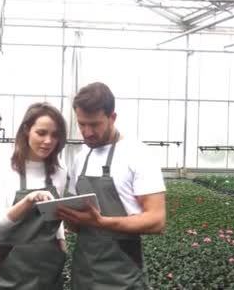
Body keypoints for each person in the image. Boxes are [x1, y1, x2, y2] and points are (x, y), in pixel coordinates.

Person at [57, 82, 166, 290]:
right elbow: (76, 221)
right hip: (84, 273)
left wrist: (101, 221)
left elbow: (156, 220)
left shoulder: (138, 154)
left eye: (95, 124)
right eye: (82, 124)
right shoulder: (80, 159)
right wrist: (68, 217)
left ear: (112, 118)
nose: (87, 132)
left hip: (123, 275)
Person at [0, 102, 68, 290]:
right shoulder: (0, 167)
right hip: (10, 273)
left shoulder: (59, 171)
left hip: (48, 273)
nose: (48, 141)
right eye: (42, 133)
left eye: (55, 135)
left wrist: (61, 241)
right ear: (27, 130)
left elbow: (55, 215)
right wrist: (28, 200)